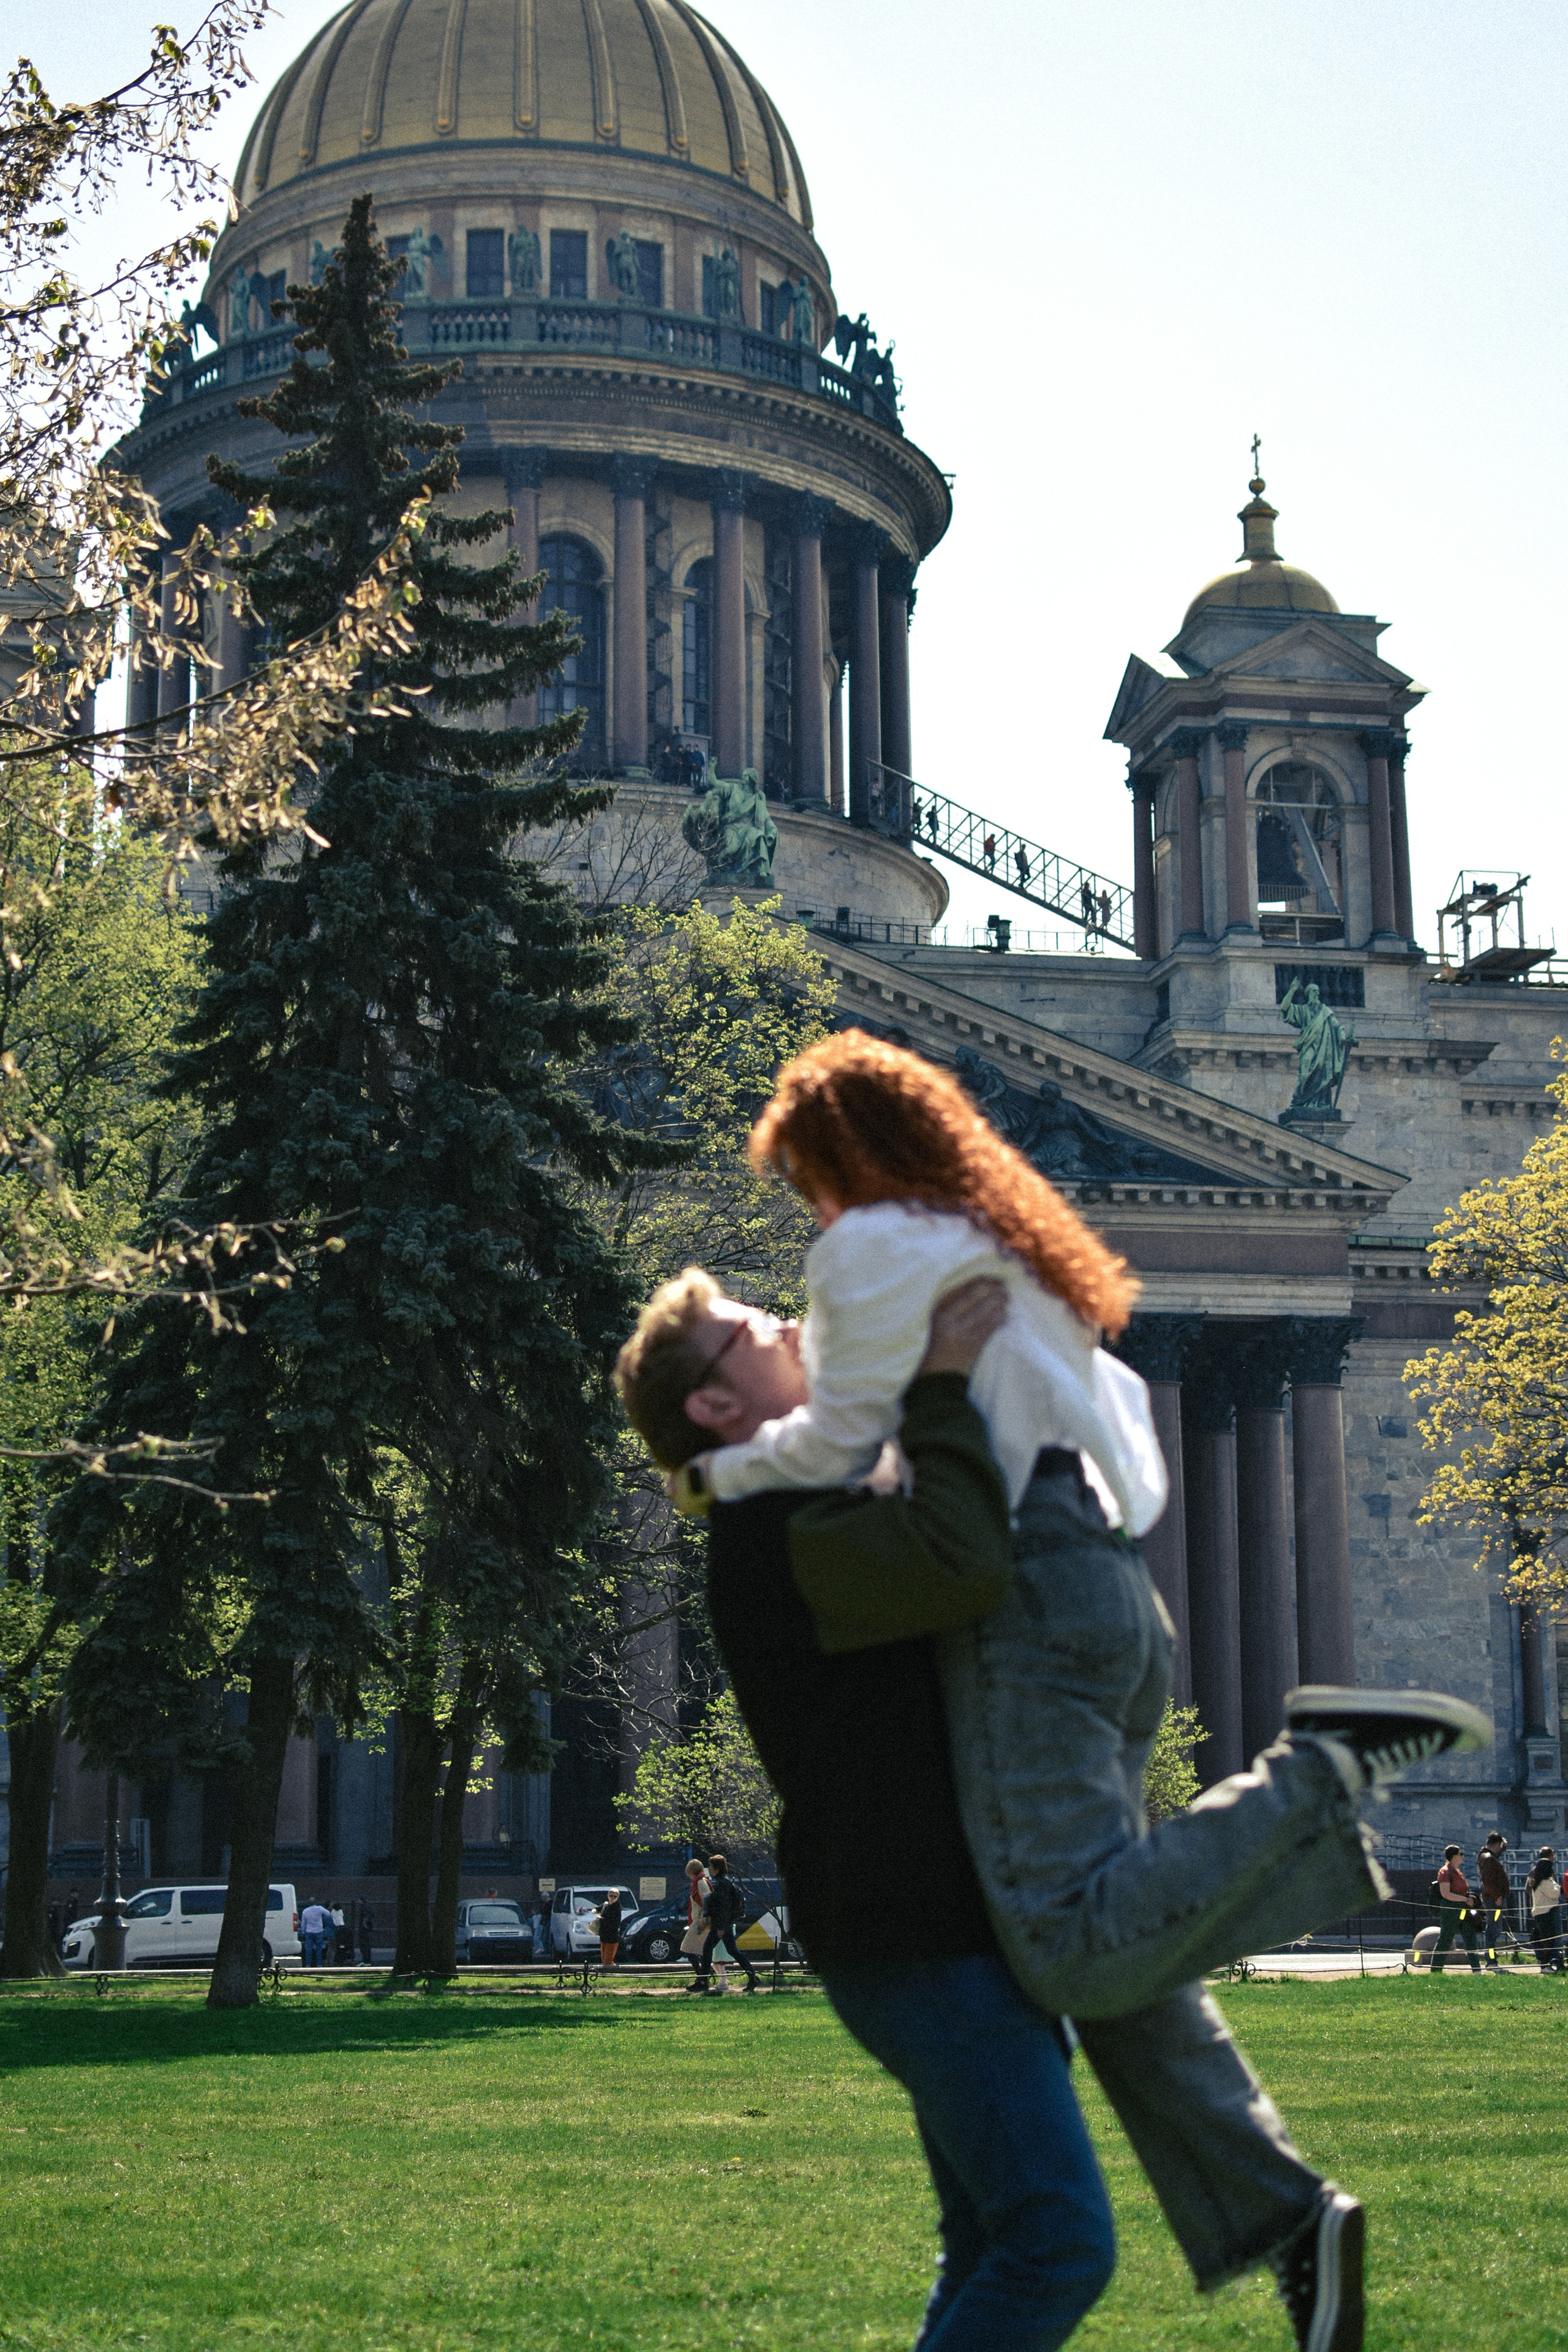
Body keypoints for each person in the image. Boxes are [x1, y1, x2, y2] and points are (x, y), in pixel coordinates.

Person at [620, 1279, 1408, 2352]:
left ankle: (1289, 2211)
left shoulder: (800, 1493)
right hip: (914, 1933)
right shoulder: (774, 1526)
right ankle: (1318, 1778)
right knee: (1058, 2241)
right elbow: (965, 1558)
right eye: (752, 1332)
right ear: (713, 1406)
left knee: (994, 2240)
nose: (790, 1325)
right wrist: (943, 1379)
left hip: (947, 1923)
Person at [703, 1855, 758, 1993]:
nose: (709, 1869)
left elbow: (723, 1908)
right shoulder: (725, 1883)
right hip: (724, 1924)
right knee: (733, 1951)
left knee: (707, 1949)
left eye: (711, 1866)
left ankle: (703, 1980)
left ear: (716, 1869)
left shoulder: (722, 1885)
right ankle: (753, 1977)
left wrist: (721, 1927)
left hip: (721, 1925)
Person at [1431, 1847, 1482, 1974]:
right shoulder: (1445, 1872)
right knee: (1446, 1939)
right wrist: (1465, 1899)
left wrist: (1469, 1898)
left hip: (1463, 1910)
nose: (1462, 1856)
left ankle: (1477, 1970)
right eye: (1461, 1854)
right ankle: (1436, 1971)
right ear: (1454, 1856)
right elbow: (1446, 1894)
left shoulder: (1458, 1871)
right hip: (1450, 1910)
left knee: (1470, 1936)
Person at [1476, 1833, 1511, 1967]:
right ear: (1496, 1845)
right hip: (1494, 1900)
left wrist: (1504, 1848)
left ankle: (1491, 1959)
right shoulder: (1489, 1859)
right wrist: (1497, 1896)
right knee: (1493, 1930)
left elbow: (1496, 1853)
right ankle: (1491, 1960)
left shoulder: (1486, 1856)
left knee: (1494, 1928)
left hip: (1493, 1898)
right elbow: (1487, 1881)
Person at [1526, 1848, 1562, 1973]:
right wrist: (1557, 1885)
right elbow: (1555, 1893)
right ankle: (1545, 1965)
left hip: (1542, 1914)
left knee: (1548, 1939)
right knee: (1547, 1940)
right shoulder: (1545, 1883)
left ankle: (1548, 1963)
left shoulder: (1539, 1882)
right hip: (1545, 1914)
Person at [682, 1856, 715, 1991]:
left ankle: (702, 1978)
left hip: (701, 1921)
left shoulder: (700, 1883)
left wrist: (704, 1921)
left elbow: (707, 1901)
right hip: (699, 1920)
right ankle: (703, 1977)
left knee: (687, 1948)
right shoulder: (700, 1882)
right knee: (699, 1951)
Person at [300, 1896, 331, 1969]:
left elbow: (303, 1923)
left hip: (309, 1932)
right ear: (315, 1902)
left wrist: (303, 1932)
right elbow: (328, 1914)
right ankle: (319, 1965)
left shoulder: (305, 1911)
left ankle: (308, 1965)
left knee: (309, 1949)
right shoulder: (319, 1909)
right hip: (319, 1931)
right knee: (319, 1949)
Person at [597, 1888, 622, 1971]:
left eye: (615, 1897)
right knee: (604, 1961)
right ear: (608, 1896)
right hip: (604, 1936)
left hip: (612, 1938)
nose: (612, 1898)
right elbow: (598, 1908)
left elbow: (614, 1923)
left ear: (617, 1898)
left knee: (608, 1962)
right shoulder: (606, 1905)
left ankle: (617, 1973)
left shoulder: (617, 1908)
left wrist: (601, 1919)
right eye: (611, 1896)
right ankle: (608, 1974)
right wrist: (594, 1910)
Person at [358, 1902, 375, 1966]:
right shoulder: (369, 1907)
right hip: (369, 1930)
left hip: (364, 1930)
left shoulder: (363, 1908)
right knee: (368, 1946)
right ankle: (368, 1961)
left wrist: (364, 1924)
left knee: (364, 1945)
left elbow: (365, 1916)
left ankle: (365, 1961)